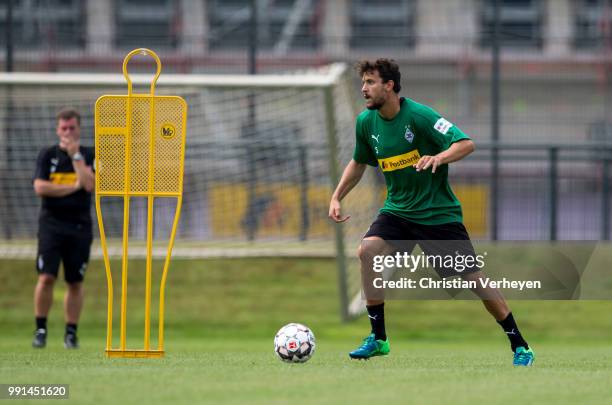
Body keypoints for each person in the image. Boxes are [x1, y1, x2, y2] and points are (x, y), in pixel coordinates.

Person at [328, 59, 534, 366]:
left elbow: (466, 144)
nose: (364, 89)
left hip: (437, 216)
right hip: (397, 211)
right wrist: (337, 196)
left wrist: (439, 157)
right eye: (363, 82)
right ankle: (378, 338)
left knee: (474, 280)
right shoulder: (366, 123)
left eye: (370, 82)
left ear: (390, 85)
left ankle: (520, 345)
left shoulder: (420, 116)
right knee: (367, 251)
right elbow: (358, 162)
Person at [32, 108, 95, 349]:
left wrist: (76, 157)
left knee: (75, 281)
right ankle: (40, 329)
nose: (68, 132)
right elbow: (40, 188)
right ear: (58, 129)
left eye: (72, 128)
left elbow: (89, 185)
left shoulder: (89, 154)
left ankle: (71, 333)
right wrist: (72, 187)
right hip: (51, 225)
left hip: (79, 226)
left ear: (79, 129)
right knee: (46, 277)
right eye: (64, 128)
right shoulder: (47, 155)